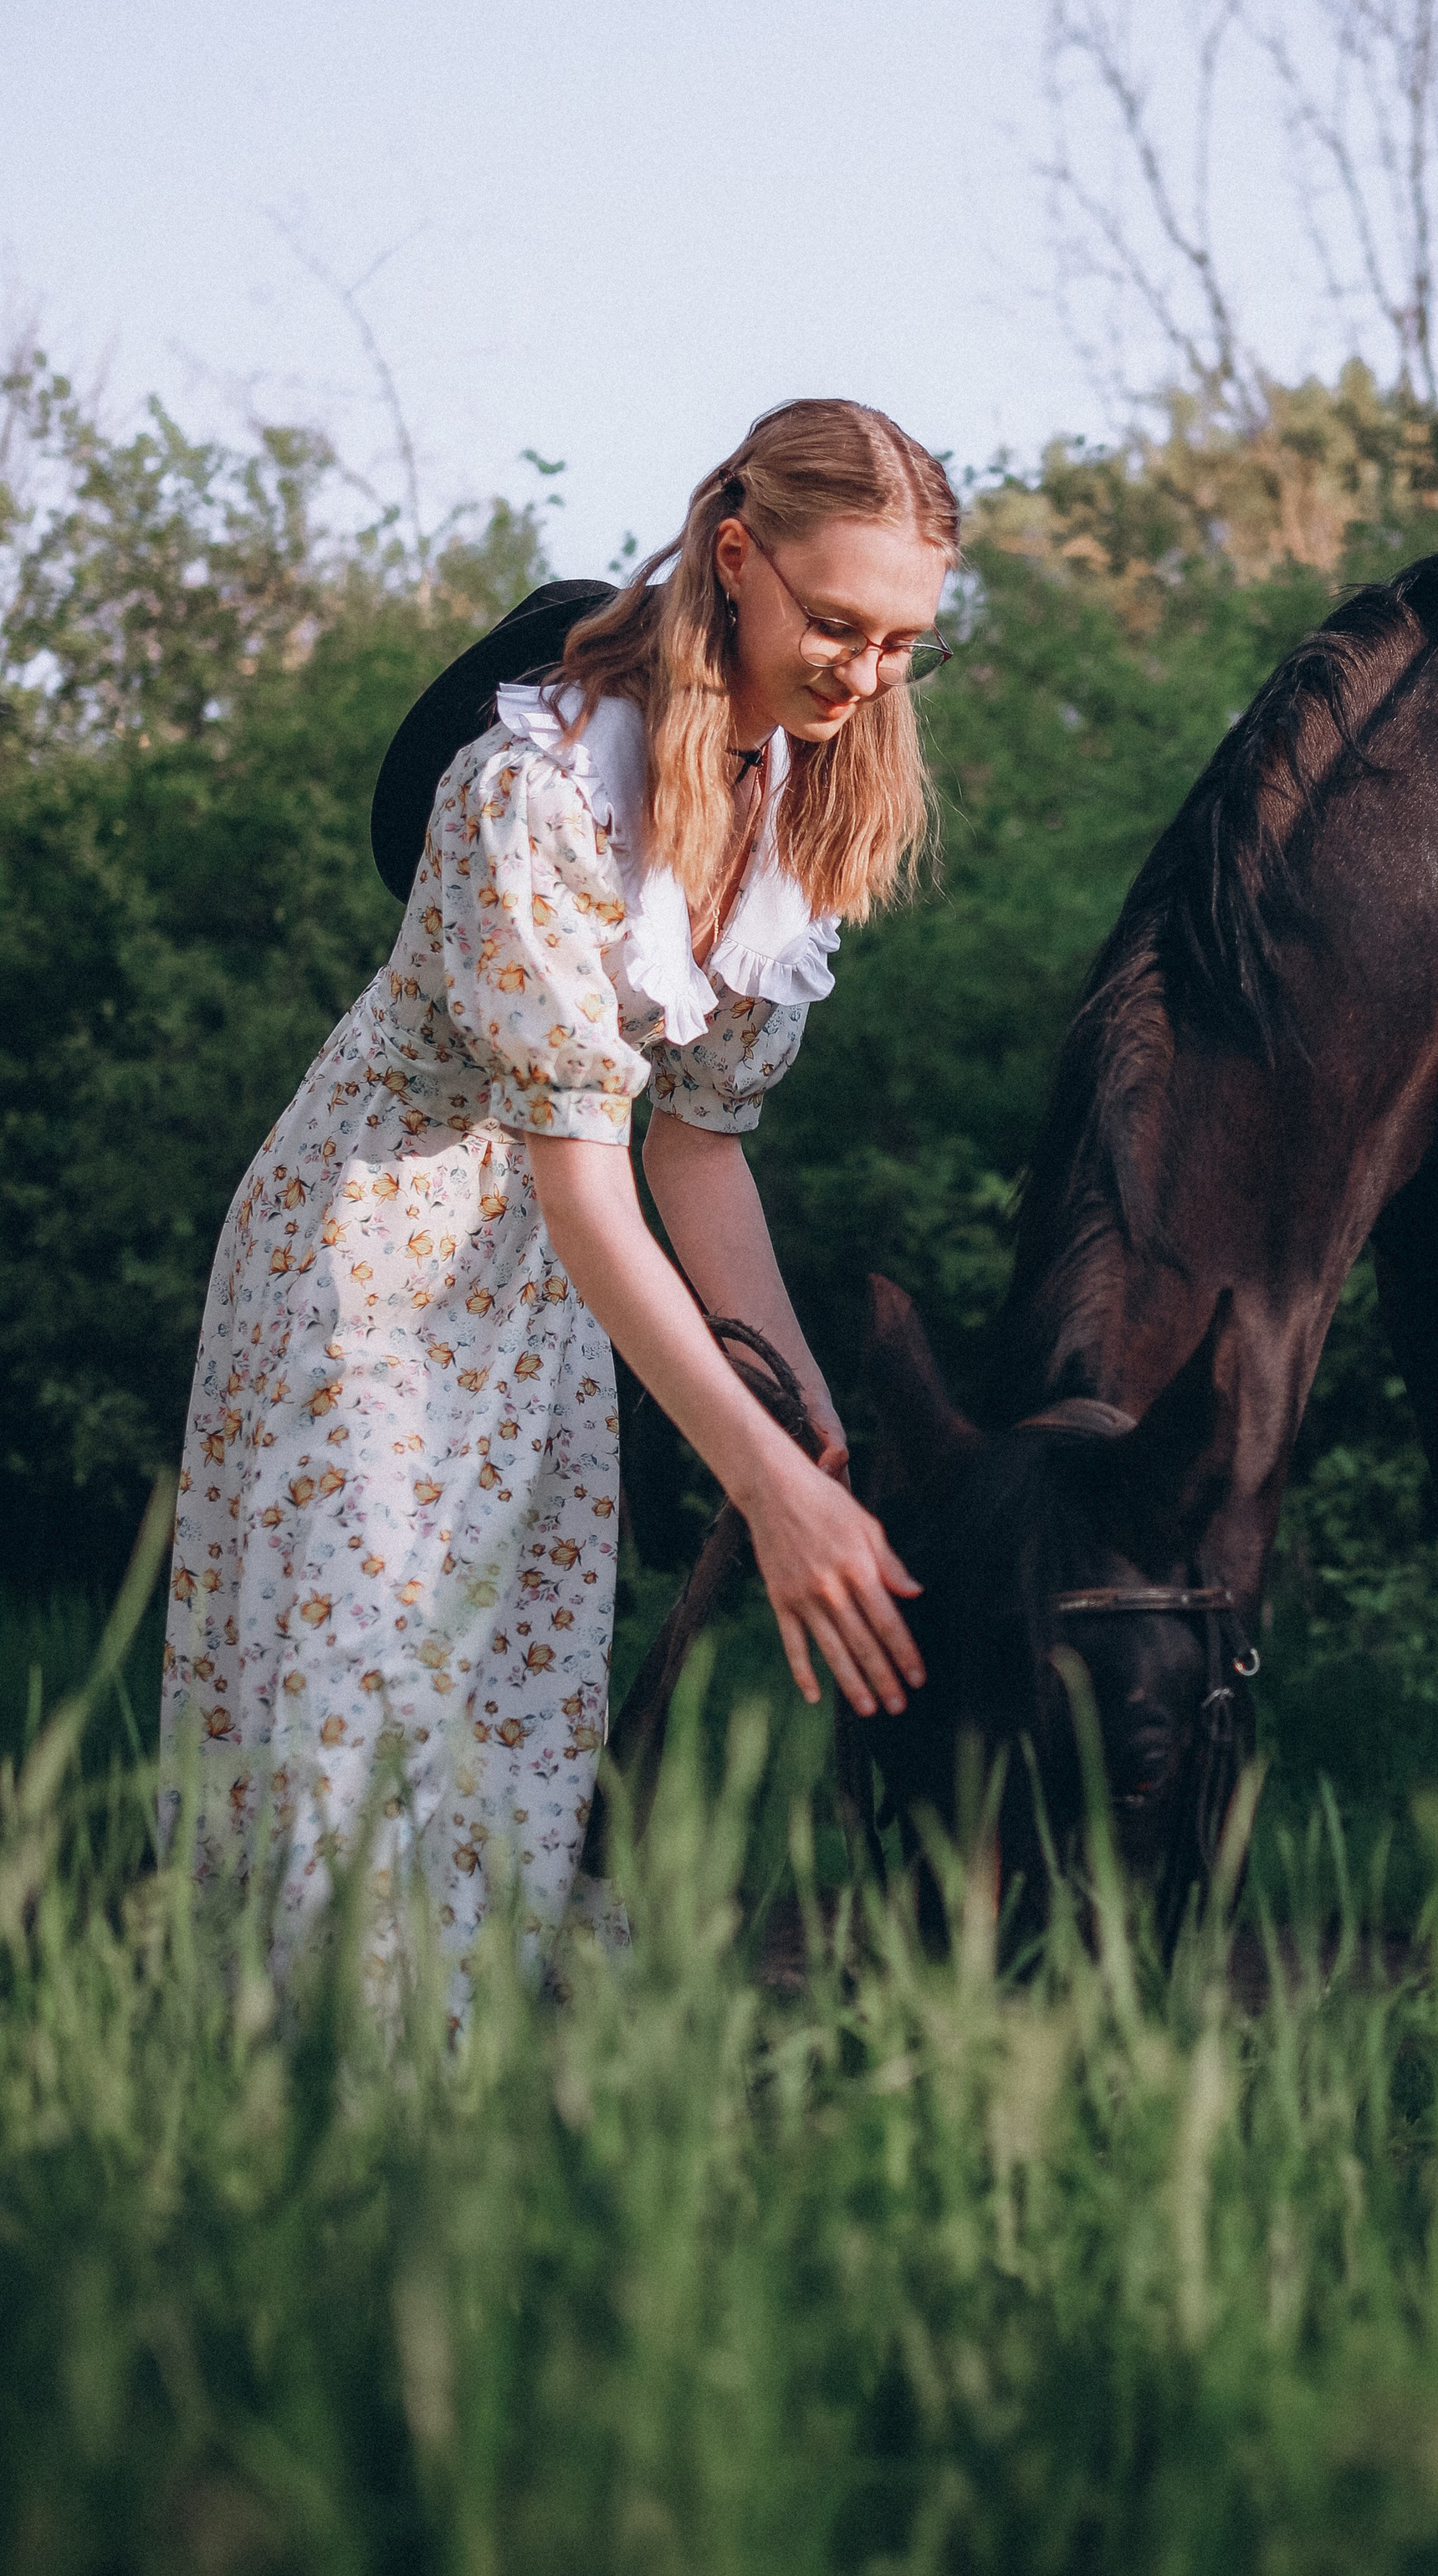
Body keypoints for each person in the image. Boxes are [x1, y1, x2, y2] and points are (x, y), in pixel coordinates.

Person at [159, 397, 956, 2001]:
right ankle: (318, 2153)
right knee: (357, 1715)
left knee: (505, 1723)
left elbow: (697, 1147)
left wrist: (798, 1430)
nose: (864, 678)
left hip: (547, 1298)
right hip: (370, 1265)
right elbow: (592, 1173)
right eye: (837, 623)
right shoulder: (525, 795)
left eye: (901, 646)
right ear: (736, 561)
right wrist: (759, 1483)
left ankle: (456, 2150)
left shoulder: (780, 809)